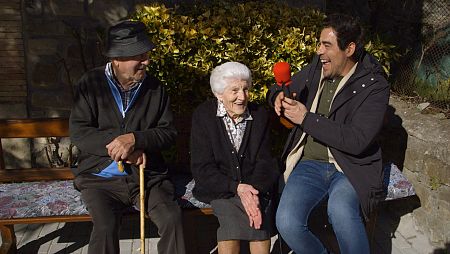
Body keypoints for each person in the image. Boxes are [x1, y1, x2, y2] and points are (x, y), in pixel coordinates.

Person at [267, 14, 390, 254]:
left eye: (326, 45)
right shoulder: (317, 69)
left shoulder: (374, 86)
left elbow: (357, 141)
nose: (318, 51)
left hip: (350, 167)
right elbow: (282, 86)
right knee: (287, 222)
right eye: (318, 43)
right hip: (310, 164)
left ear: (349, 49)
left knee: (341, 210)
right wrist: (278, 96)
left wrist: (306, 118)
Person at [69, 20, 185, 254]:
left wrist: (136, 139)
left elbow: (168, 132)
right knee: (104, 226)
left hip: (146, 177)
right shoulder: (90, 84)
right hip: (99, 179)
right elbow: (79, 132)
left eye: (146, 55)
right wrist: (121, 147)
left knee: (172, 219)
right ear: (117, 59)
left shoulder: (155, 88)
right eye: (139, 56)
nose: (146, 61)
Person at [190, 62, 280, 254]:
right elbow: (202, 168)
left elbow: (266, 162)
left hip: (255, 187)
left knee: (258, 220)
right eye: (235, 90)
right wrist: (237, 188)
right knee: (231, 221)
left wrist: (252, 192)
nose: (242, 97)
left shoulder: (259, 115)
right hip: (220, 190)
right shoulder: (204, 116)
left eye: (245, 89)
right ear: (218, 94)